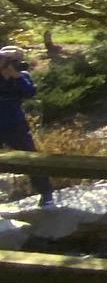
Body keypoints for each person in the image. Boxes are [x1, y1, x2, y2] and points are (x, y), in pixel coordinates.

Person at [0, 44, 54, 206]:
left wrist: (15, 77)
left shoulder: (22, 75)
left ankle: (46, 194)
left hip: (14, 124)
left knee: (30, 159)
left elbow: (30, 92)